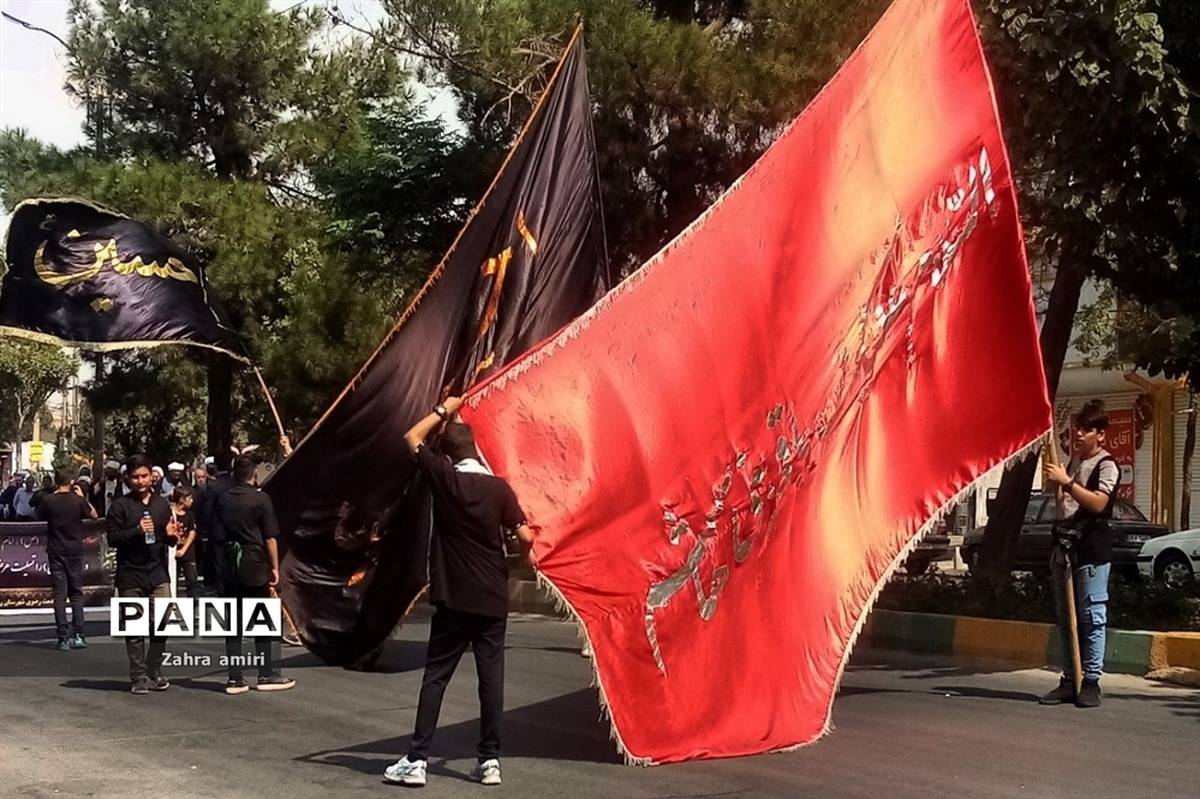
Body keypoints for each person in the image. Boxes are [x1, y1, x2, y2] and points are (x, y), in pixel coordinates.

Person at [384, 397, 532, 788]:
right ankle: (489, 761)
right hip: (491, 597)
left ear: (447, 457)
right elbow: (525, 534)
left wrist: (444, 410)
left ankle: (417, 759)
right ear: (476, 450)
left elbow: (411, 436)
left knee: (436, 677)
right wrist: (524, 562)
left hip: (454, 596)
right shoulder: (499, 489)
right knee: (491, 680)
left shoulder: (445, 479)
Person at [1040, 399, 1119, 709]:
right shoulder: (1071, 463)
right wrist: (1056, 480)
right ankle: (1069, 678)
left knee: (1091, 617)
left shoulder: (1106, 464)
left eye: (1086, 430)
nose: (1079, 435)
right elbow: (1060, 500)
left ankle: (1091, 682)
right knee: (1066, 620)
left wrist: (1068, 483)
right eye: (1077, 430)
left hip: (1091, 550)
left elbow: (1098, 503)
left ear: (1101, 434)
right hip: (1064, 547)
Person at [215, 455, 295, 694]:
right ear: (253, 475)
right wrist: (274, 566)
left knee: (233, 623)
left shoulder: (223, 499)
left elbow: (215, 534)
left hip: (230, 562)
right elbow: (270, 536)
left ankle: (235, 677)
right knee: (261, 620)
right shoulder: (261, 499)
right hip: (254, 561)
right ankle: (266, 673)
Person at [106, 454, 176, 695]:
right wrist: (136, 531)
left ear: (152, 477)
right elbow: (112, 538)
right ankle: (138, 676)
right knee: (134, 628)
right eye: (135, 477)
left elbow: (169, 539)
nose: (140, 481)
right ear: (128, 478)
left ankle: (154, 668)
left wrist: (170, 534)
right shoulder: (120, 506)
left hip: (157, 573)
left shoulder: (161, 505)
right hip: (130, 574)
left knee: (163, 622)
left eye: (144, 476)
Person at [36, 469, 98, 650]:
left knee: (60, 595)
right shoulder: (77, 501)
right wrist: (82, 497)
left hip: (56, 551)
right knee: (76, 593)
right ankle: (78, 635)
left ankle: (62, 638)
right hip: (75, 551)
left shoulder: (48, 501)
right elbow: (94, 515)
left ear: (56, 482)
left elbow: (37, 516)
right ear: (71, 482)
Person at [198, 455, 234, 594]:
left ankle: (220, 588)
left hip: (218, 529)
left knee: (218, 561)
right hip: (235, 528)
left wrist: (204, 529)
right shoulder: (234, 482)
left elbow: (208, 509)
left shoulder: (213, 486)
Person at [170, 485, 200, 598]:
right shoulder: (170, 513)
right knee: (173, 579)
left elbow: (192, 532)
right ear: (182, 499)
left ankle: (192, 604)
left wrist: (183, 549)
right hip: (173, 550)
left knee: (191, 579)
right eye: (189, 498)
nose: (192, 501)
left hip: (187, 552)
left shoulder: (189, 515)